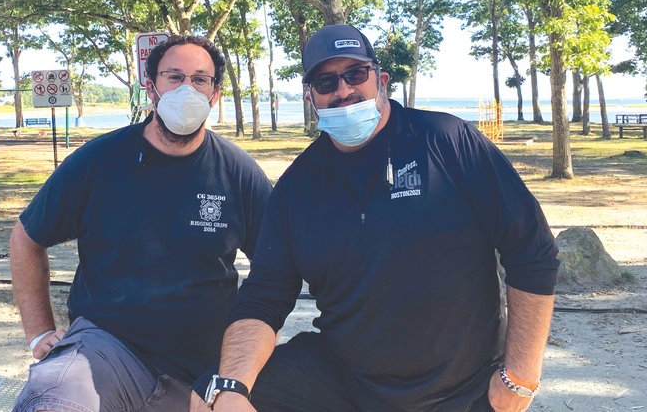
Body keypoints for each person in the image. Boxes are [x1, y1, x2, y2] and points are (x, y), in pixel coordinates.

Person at [191, 24, 559, 412]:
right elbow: (264, 296)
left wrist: (519, 378)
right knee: (209, 394)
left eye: (355, 74)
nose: (343, 90)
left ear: (380, 79)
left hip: (460, 389)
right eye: (326, 81)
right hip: (346, 380)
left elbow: (531, 250)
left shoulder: (447, 141)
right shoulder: (297, 186)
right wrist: (231, 386)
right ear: (310, 97)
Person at [11, 35, 272, 412]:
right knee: (54, 396)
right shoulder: (99, 161)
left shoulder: (238, 172)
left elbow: (275, 269)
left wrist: (236, 370)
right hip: (105, 349)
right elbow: (26, 238)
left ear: (215, 94)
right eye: (174, 77)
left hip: (204, 368)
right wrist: (38, 332)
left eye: (200, 80)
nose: (187, 89)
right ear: (151, 88)